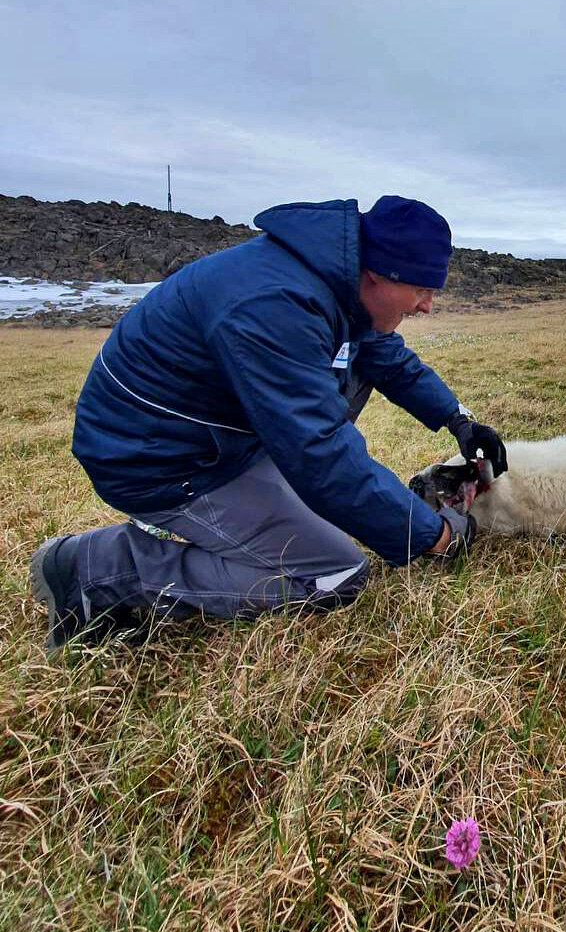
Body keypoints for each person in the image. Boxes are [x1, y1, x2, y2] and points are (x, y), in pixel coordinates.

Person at [29, 195, 508, 650]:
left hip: (214, 438)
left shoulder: (335, 285)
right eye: (422, 288)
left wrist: (459, 421)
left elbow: (384, 358)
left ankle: (275, 505)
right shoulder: (276, 305)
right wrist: (433, 537)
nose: (427, 305)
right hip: (157, 459)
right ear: (378, 273)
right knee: (334, 573)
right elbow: (318, 452)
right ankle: (95, 571)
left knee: (335, 464)